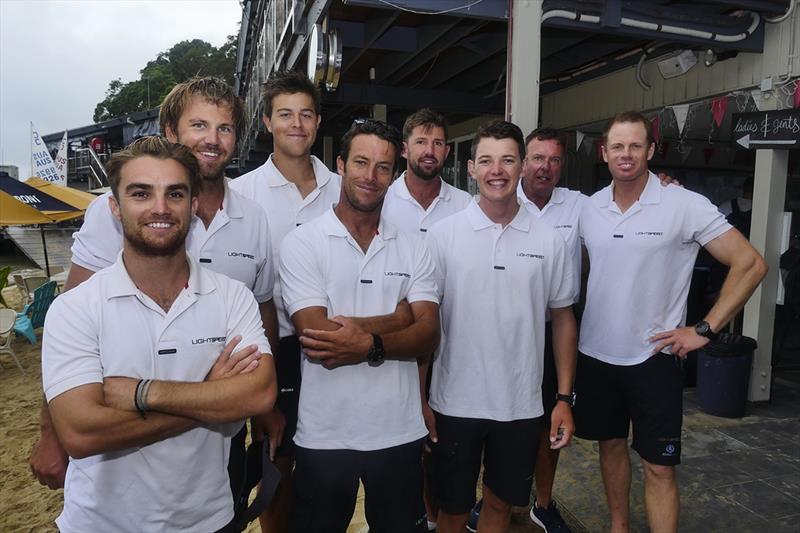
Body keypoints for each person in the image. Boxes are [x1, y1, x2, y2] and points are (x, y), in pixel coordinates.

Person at [30, 78, 279, 522]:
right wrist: (213, 399)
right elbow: (80, 424)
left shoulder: (244, 249)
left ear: (190, 200)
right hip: (106, 514)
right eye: (199, 124)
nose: (212, 138)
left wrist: (139, 394)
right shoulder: (82, 302)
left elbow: (259, 373)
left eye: (224, 128)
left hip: (208, 496)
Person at [575, 111, 767, 533]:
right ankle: (619, 526)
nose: (626, 154)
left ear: (651, 150)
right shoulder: (588, 209)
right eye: (618, 146)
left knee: (659, 467)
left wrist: (704, 329)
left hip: (655, 356)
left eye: (635, 146)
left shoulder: (683, 204)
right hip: (596, 355)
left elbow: (750, 263)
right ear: (604, 152)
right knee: (609, 447)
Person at [279, 119, 440, 532]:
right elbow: (318, 337)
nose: (371, 176)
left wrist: (368, 343)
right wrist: (400, 318)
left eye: (383, 167)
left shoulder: (415, 246)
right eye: (361, 162)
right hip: (324, 435)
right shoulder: (303, 242)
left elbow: (429, 334)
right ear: (340, 165)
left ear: (394, 174)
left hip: (398, 431)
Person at [425, 120, 577, 533]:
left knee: (500, 504)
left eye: (508, 159)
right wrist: (419, 396)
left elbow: (563, 318)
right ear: (471, 168)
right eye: (487, 160)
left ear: (523, 166)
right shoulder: (442, 237)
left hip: (520, 404)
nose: (498, 170)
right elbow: (425, 322)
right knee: (451, 511)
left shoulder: (549, 240)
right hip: (454, 400)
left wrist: (563, 398)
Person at [230, 70, 341, 533]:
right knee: (277, 465)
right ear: (267, 121)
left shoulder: (342, 189)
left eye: (306, 114)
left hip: (336, 346)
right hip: (274, 349)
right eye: (285, 114)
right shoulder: (242, 195)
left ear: (317, 123)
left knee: (332, 463)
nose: (297, 124)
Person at [381, 107, 472, 532]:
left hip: (451, 338)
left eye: (437, 142)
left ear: (448, 150)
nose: (430, 150)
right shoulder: (381, 198)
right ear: (404, 149)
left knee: (443, 437)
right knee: (405, 436)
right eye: (421, 141)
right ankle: (419, 516)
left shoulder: (466, 205)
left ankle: (441, 513)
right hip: (395, 340)